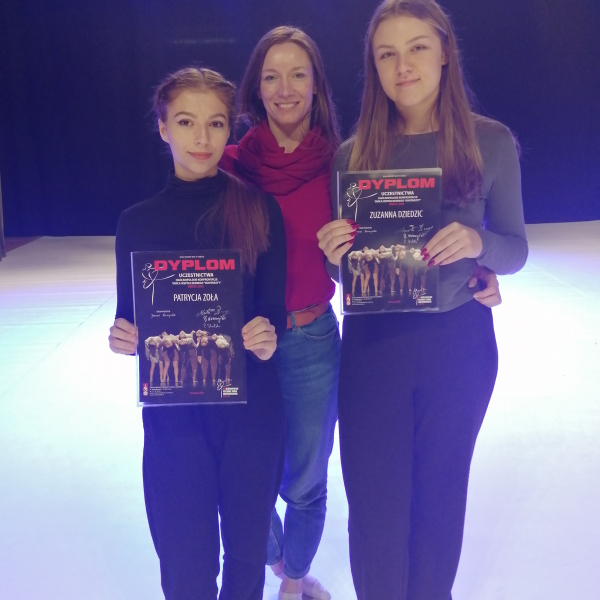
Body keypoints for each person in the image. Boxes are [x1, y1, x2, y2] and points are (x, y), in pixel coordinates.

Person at [317, 1, 528, 598]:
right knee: (375, 511)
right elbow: (346, 275)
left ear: (444, 52)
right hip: (373, 350)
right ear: (374, 66)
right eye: (387, 53)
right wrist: (334, 256)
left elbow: (515, 249)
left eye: (416, 48)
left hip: (457, 347)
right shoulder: (352, 156)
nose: (402, 65)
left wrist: (478, 243)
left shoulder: (491, 142)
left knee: (439, 503)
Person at [108, 67, 287, 600]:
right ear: (163, 127)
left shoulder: (259, 209)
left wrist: (267, 334)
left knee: (246, 563)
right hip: (175, 419)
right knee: (185, 567)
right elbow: (131, 318)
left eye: (216, 123)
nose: (202, 137)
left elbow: (272, 314)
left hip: (251, 410)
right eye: (186, 122)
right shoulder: (136, 222)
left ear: (230, 128)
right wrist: (124, 337)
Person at [219, 27, 342, 600]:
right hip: (245, 343)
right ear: (256, 88)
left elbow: (376, 253)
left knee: (307, 480)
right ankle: (275, 559)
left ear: (316, 86)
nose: (285, 88)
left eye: (298, 75)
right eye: (272, 76)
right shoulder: (230, 166)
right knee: (242, 474)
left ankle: (294, 582)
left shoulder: (343, 165)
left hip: (312, 337)